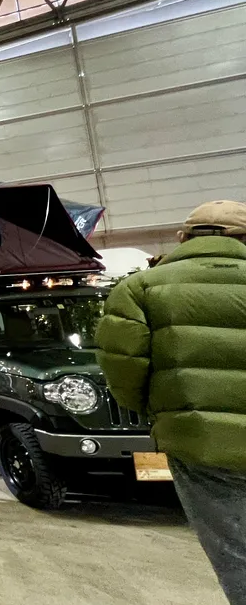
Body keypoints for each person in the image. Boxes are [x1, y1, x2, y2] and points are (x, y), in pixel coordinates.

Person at [96, 200, 246, 605]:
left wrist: (159, 414)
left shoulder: (140, 289)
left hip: (202, 444)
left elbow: (124, 373)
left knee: (236, 553)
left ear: (183, 238)